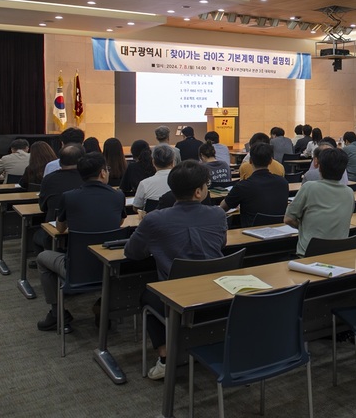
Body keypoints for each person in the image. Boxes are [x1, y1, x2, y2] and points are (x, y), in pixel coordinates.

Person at [125, 160, 227, 380]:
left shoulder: (154, 219)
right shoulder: (218, 214)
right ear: (199, 192)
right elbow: (220, 245)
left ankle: (165, 357)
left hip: (175, 298)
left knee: (148, 294)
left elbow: (132, 253)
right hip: (217, 293)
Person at [35, 152, 126, 332]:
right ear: (102, 173)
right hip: (111, 266)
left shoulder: (69, 196)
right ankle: (103, 304)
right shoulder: (118, 195)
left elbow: (60, 229)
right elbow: (120, 222)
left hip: (77, 268)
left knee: (42, 257)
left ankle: (56, 313)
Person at [285, 147, 355, 256]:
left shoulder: (309, 187)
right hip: (338, 254)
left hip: (309, 255)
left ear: (320, 168)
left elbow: (288, 219)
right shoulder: (349, 192)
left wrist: (304, 227)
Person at [221, 142, 289, 228]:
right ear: (271, 161)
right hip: (280, 231)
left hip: (251, 232)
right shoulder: (283, 182)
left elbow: (223, 208)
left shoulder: (243, 186)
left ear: (250, 160)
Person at [131, 145, 176, 210]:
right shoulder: (183, 182)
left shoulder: (144, 184)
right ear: (172, 163)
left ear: (153, 162)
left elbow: (136, 207)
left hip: (151, 218)